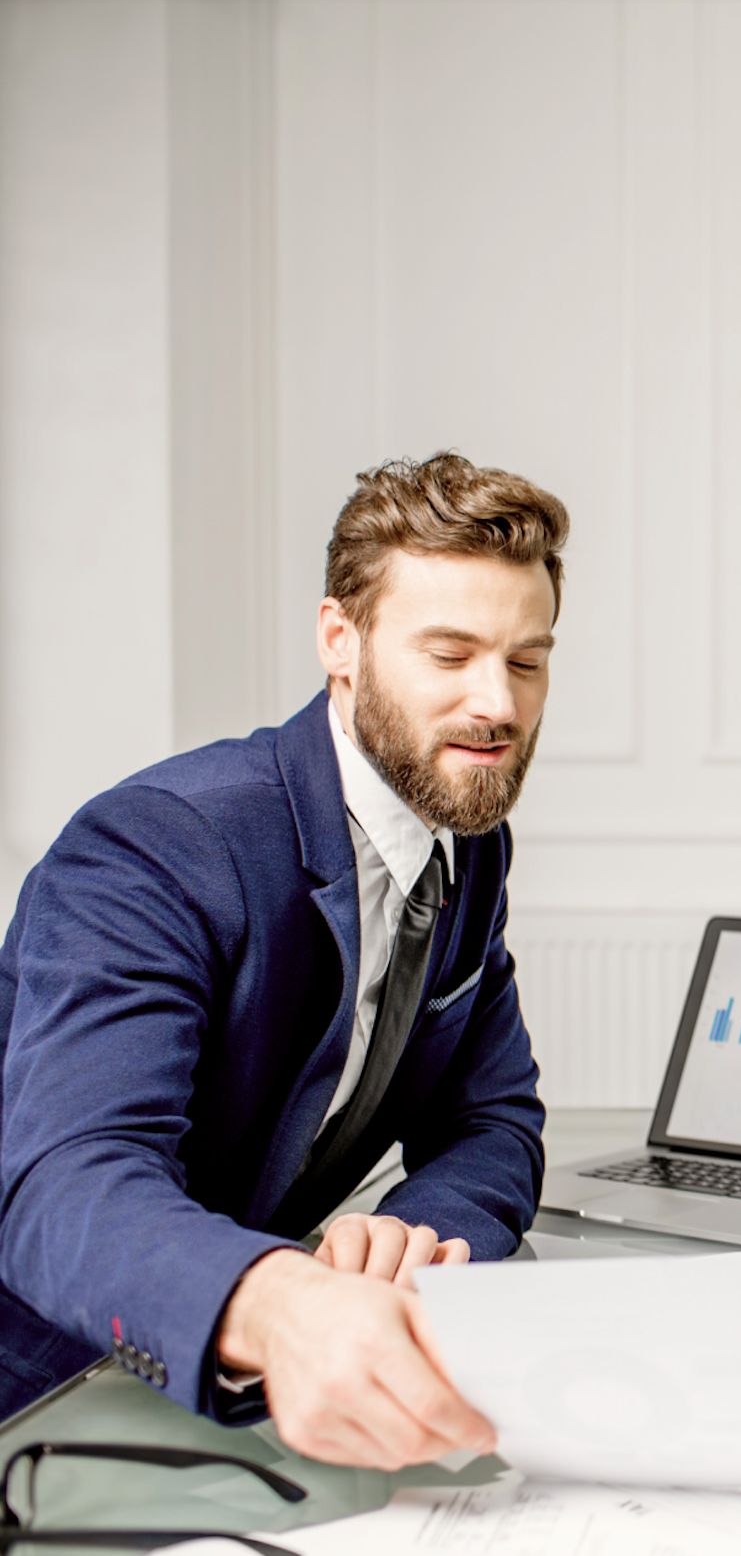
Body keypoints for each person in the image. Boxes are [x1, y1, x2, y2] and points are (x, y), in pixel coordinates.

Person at [0, 452, 564, 1470]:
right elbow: (67, 1181)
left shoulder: (466, 839)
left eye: (527, 661)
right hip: (41, 1385)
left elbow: (492, 1117)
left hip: (231, 1415)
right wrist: (285, 1302)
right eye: (451, 655)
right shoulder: (158, 844)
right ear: (339, 642)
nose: (500, 704)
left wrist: (417, 1239)